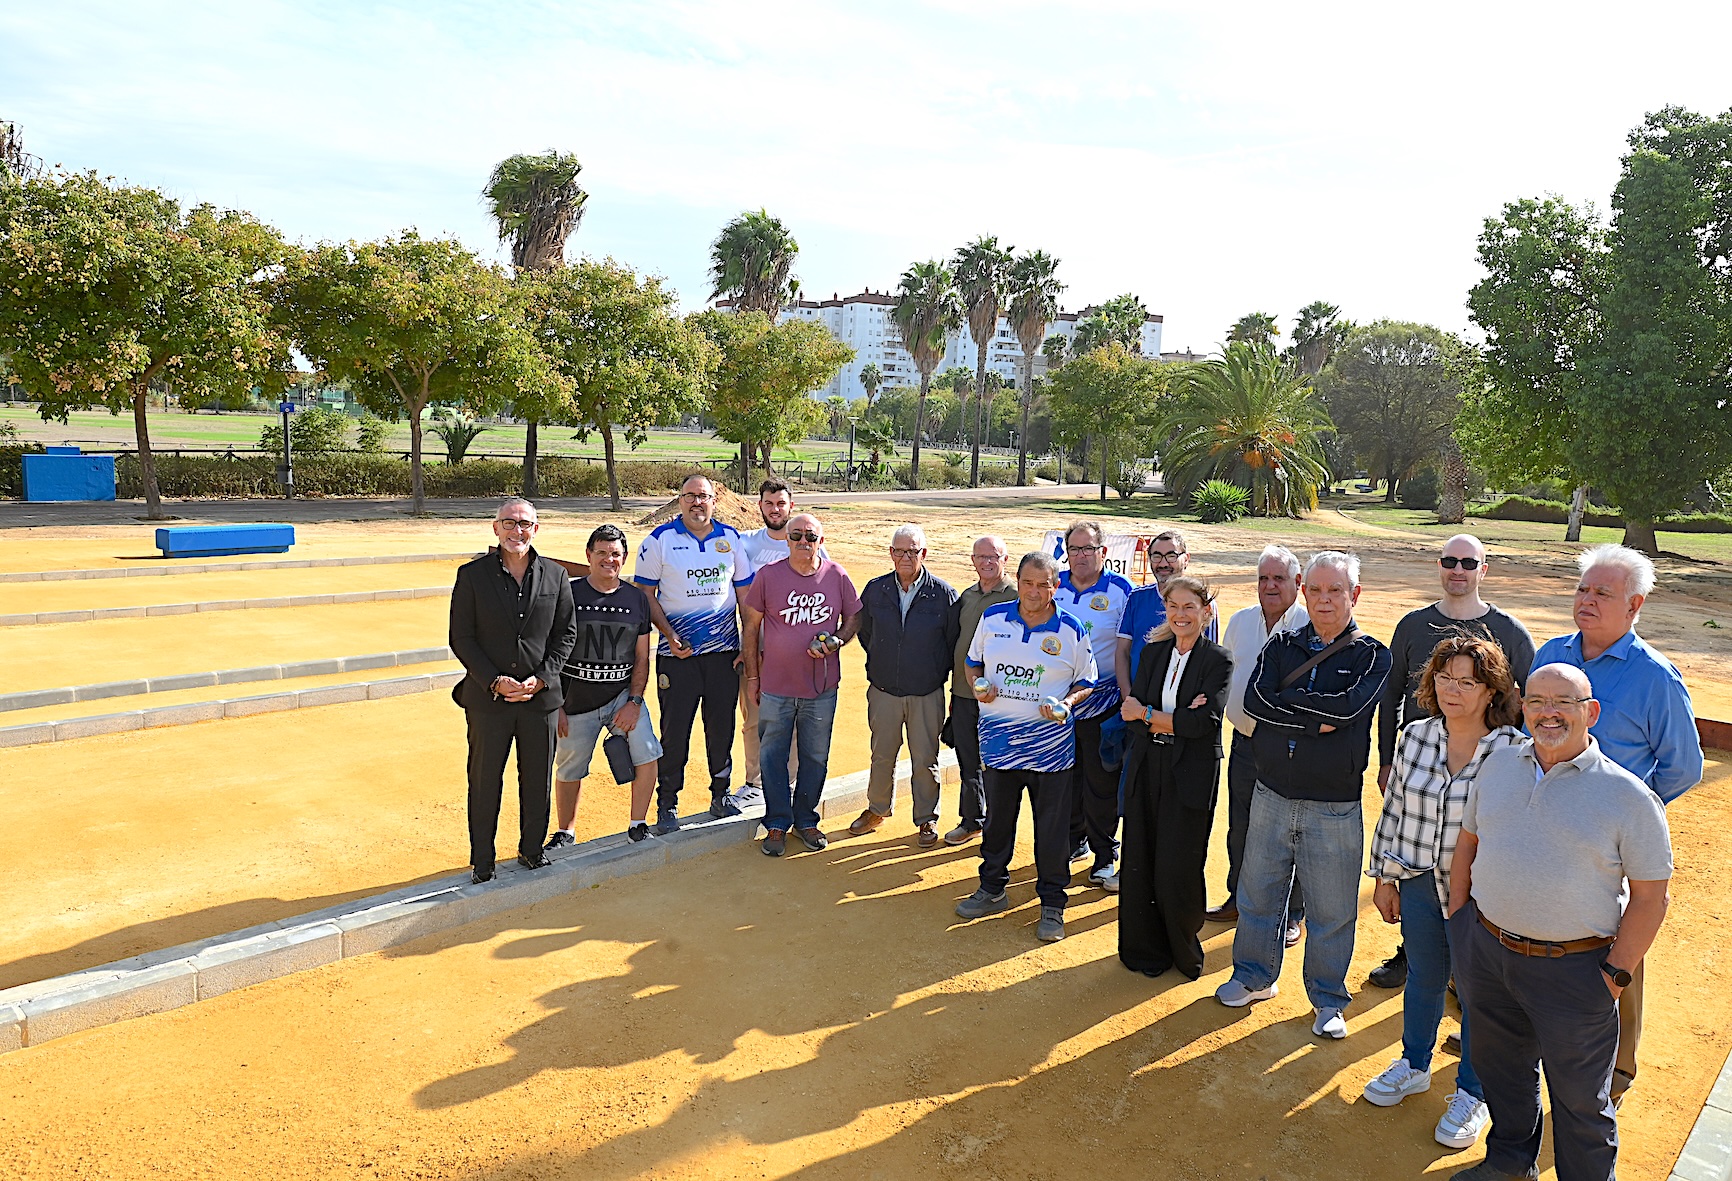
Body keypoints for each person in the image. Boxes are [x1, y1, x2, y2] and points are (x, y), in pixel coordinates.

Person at [1446, 664, 1672, 1181]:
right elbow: (1469, 842)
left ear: (1590, 713)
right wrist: (1461, 922)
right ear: (1522, 708)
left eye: (1563, 703)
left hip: (1575, 972)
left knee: (1580, 1102)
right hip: (1487, 952)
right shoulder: (1498, 765)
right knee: (1503, 1075)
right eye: (1537, 701)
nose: (1548, 713)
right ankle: (1509, 1163)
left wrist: (1615, 974)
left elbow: (1651, 898)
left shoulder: (1629, 797)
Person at [1531, 543, 1702, 1106]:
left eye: (1602, 592)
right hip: (1541, 823)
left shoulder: (1655, 678)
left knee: (1616, 943)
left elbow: (1684, 766)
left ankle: (1618, 1065)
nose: (1587, 600)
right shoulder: (1552, 654)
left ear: (1635, 605)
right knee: (1537, 932)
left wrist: (1630, 813)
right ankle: (1527, 1037)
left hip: (1609, 843)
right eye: (1583, 589)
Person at [1216, 551, 1391, 1041]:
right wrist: (1315, 721)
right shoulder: (1281, 644)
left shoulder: (1372, 655)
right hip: (1272, 792)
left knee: (1332, 910)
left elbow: (1349, 710)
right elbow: (1255, 700)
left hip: (1334, 804)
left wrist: (1289, 705)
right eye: (1315, 590)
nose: (1324, 600)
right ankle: (1254, 977)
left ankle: (1328, 999)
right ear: (1304, 592)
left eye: (1335, 590)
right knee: (1257, 894)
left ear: (1354, 595)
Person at [1363, 635, 1523, 1151]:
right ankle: (1414, 1064)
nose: (1452, 689)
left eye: (1467, 682)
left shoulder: (1513, 751)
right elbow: (1394, 809)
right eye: (1444, 678)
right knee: (1424, 978)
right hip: (1416, 881)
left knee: (1479, 994)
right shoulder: (1414, 736)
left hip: (1481, 897)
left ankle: (1473, 1091)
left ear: (1491, 690)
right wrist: (1384, 877)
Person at [1370, 534, 1536, 990]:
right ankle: (1412, 953)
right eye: (1449, 561)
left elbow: (1530, 702)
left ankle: (1467, 976)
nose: (1458, 570)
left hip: (1483, 770)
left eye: (1468, 562)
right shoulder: (1412, 625)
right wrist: (1385, 760)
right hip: (1421, 760)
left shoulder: (1509, 631)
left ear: (1484, 570)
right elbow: (1390, 696)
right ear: (1439, 566)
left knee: (1469, 869)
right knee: (1419, 850)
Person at [954, 552, 1098, 943]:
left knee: (1051, 831)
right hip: (999, 745)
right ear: (1017, 581)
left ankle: (1052, 903)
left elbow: (1087, 681)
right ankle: (991, 888)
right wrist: (977, 684)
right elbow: (973, 662)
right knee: (997, 822)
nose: (1034, 592)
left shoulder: (1070, 629)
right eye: (1027, 583)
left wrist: (1067, 703)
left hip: (1051, 752)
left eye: (1043, 584)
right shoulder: (993, 618)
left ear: (1056, 586)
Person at [448, 498, 577, 883]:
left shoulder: (556, 576)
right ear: (495, 528)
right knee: (485, 780)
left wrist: (543, 678)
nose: (516, 530)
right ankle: (483, 860)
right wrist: (494, 680)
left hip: (540, 699)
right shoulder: (471, 575)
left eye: (524, 524)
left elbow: (566, 634)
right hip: (488, 700)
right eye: (509, 522)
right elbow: (461, 637)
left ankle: (532, 849)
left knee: (536, 779)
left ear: (535, 529)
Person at [1116, 576, 1232, 979]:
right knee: (1141, 857)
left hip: (1190, 773)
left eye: (1189, 607)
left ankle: (1182, 952)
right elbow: (1130, 714)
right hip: (1148, 765)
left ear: (1206, 612)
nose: (1180, 615)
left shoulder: (1218, 660)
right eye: (1173, 607)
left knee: (1178, 864)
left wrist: (1150, 714)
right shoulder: (1153, 652)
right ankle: (1144, 950)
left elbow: (1203, 723)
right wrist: (1174, 718)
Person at [634, 474, 755, 834]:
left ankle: (721, 794)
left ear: (714, 500)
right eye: (690, 496)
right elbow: (645, 595)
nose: (697, 502)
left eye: (703, 496)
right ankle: (667, 804)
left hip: (724, 656)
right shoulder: (659, 541)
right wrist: (669, 635)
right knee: (675, 732)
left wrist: (747, 649)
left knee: (721, 727)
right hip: (677, 657)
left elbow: (746, 598)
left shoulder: (731, 539)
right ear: (680, 500)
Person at [741, 513, 862, 857]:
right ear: (787, 540)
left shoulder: (836, 575)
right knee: (772, 756)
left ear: (821, 541)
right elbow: (751, 628)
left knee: (815, 756)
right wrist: (753, 677)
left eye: (810, 536)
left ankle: (806, 819)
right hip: (776, 686)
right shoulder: (768, 575)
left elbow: (854, 616)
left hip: (821, 688)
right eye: (796, 536)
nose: (803, 542)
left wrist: (837, 640)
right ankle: (777, 822)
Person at [1208, 545, 1309, 938]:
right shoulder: (1241, 621)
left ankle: (1291, 912)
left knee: (1290, 832)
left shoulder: (1310, 627)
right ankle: (1238, 897)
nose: (1269, 586)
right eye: (1263, 578)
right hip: (1244, 743)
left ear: (1297, 583)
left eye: (1278, 578)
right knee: (1241, 826)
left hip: (1290, 750)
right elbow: (1225, 676)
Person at [545, 525, 663, 849]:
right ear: (588, 555)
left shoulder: (637, 599)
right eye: (602, 553)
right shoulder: (567, 595)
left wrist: (634, 702)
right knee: (570, 767)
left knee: (647, 751)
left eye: (615, 554)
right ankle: (565, 831)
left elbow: (642, 656)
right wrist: (556, 704)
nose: (609, 560)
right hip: (574, 701)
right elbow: (549, 651)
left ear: (624, 558)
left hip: (621, 699)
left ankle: (638, 824)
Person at [852, 524, 959, 845]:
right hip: (883, 690)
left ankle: (927, 818)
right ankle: (877, 809)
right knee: (882, 754)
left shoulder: (943, 594)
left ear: (923, 553)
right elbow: (866, 633)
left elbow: (952, 644)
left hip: (926, 693)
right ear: (890, 553)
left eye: (912, 551)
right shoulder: (876, 590)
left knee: (925, 759)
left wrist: (934, 674)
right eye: (899, 551)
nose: (905, 557)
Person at [732, 478, 827, 810]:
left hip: (796, 655)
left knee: (797, 720)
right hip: (754, 651)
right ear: (759, 505)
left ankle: (792, 781)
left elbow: (823, 593)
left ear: (791, 506)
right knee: (755, 719)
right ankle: (755, 783)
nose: (775, 509)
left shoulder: (809, 542)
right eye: (769, 503)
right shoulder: (744, 544)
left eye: (781, 504)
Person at [1056, 520, 1135, 884]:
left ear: (1103, 552)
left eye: (1089, 549)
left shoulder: (1122, 590)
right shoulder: (1053, 584)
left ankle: (1105, 854)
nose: (1081, 556)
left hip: (1104, 704)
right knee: (1066, 780)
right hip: (1060, 706)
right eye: (1074, 549)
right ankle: (1075, 841)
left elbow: (1128, 646)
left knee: (1101, 783)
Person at [942, 534, 1017, 846]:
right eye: (981, 556)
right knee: (968, 759)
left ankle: (998, 828)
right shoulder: (967, 596)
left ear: (1005, 559)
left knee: (999, 765)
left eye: (993, 556)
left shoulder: (1015, 596)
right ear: (972, 560)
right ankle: (972, 820)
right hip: (963, 693)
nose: (987, 562)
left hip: (1001, 699)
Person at [1115, 529, 1216, 694]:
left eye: (1171, 556)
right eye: (1157, 556)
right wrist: (1128, 697)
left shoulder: (1203, 602)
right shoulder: (1137, 598)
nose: (1163, 564)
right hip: (1137, 700)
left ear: (1186, 559)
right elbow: (1122, 652)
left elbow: (1209, 658)